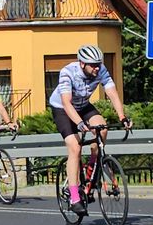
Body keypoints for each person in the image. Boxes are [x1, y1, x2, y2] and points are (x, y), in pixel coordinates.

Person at [48, 45, 131, 215]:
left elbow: (112, 93)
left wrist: (122, 117)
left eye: (98, 64)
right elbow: (66, 102)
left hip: (84, 105)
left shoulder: (100, 70)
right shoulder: (67, 72)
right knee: (75, 146)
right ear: (81, 63)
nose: (97, 68)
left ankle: (92, 167)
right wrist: (79, 123)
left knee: (103, 128)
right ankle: (74, 197)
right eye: (92, 65)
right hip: (63, 108)